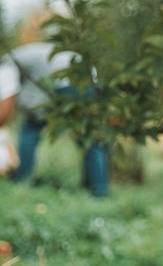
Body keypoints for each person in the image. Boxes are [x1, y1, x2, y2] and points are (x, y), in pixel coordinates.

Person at [0, 42, 109, 196]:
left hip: (67, 80)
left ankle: (21, 181)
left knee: (31, 127)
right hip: (88, 76)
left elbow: (8, 99)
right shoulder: (19, 58)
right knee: (89, 135)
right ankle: (98, 189)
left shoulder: (6, 65)